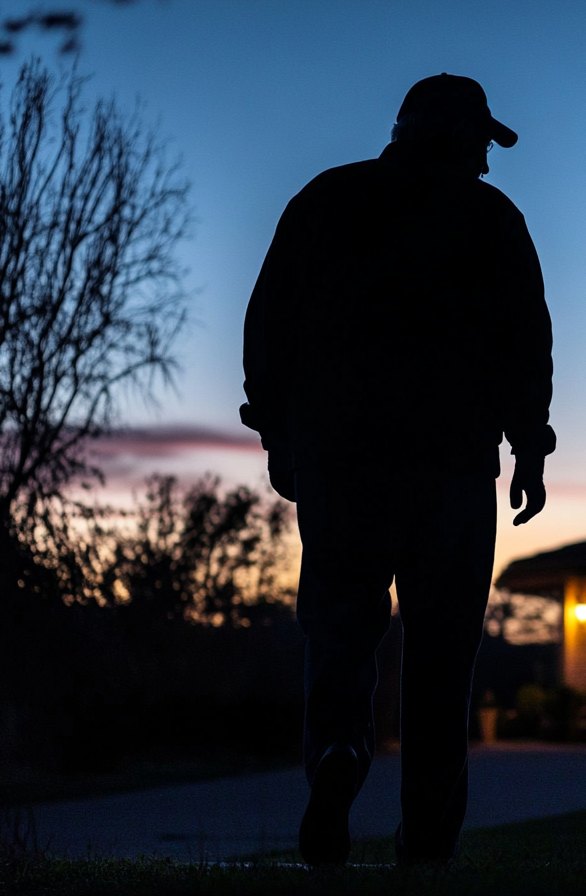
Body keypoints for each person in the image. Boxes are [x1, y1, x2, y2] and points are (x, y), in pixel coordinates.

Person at [240, 73, 555, 866]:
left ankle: (338, 756)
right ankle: (425, 836)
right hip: (451, 469)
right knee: (443, 651)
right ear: (458, 136)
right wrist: (529, 447)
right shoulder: (491, 219)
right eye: (484, 142)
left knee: (341, 629)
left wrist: (279, 431)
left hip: (342, 465)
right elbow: (527, 345)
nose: (489, 159)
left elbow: (269, 321)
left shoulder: (326, 200)